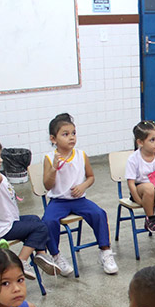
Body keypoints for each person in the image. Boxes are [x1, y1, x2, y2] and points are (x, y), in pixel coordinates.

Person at [0, 133, 58, 279]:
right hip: (2, 227)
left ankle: (42, 255)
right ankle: (21, 262)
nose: (1, 159)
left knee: (35, 219)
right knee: (40, 228)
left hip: (10, 221)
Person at [42, 112, 118, 275]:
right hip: (58, 201)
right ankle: (56, 256)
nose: (71, 137)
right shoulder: (49, 158)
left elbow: (91, 177)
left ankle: (105, 252)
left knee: (99, 214)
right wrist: (54, 168)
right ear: (53, 139)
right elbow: (47, 185)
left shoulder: (81, 155)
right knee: (48, 221)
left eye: (73, 133)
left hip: (79, 200)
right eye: (65, 134)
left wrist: (83, 186)